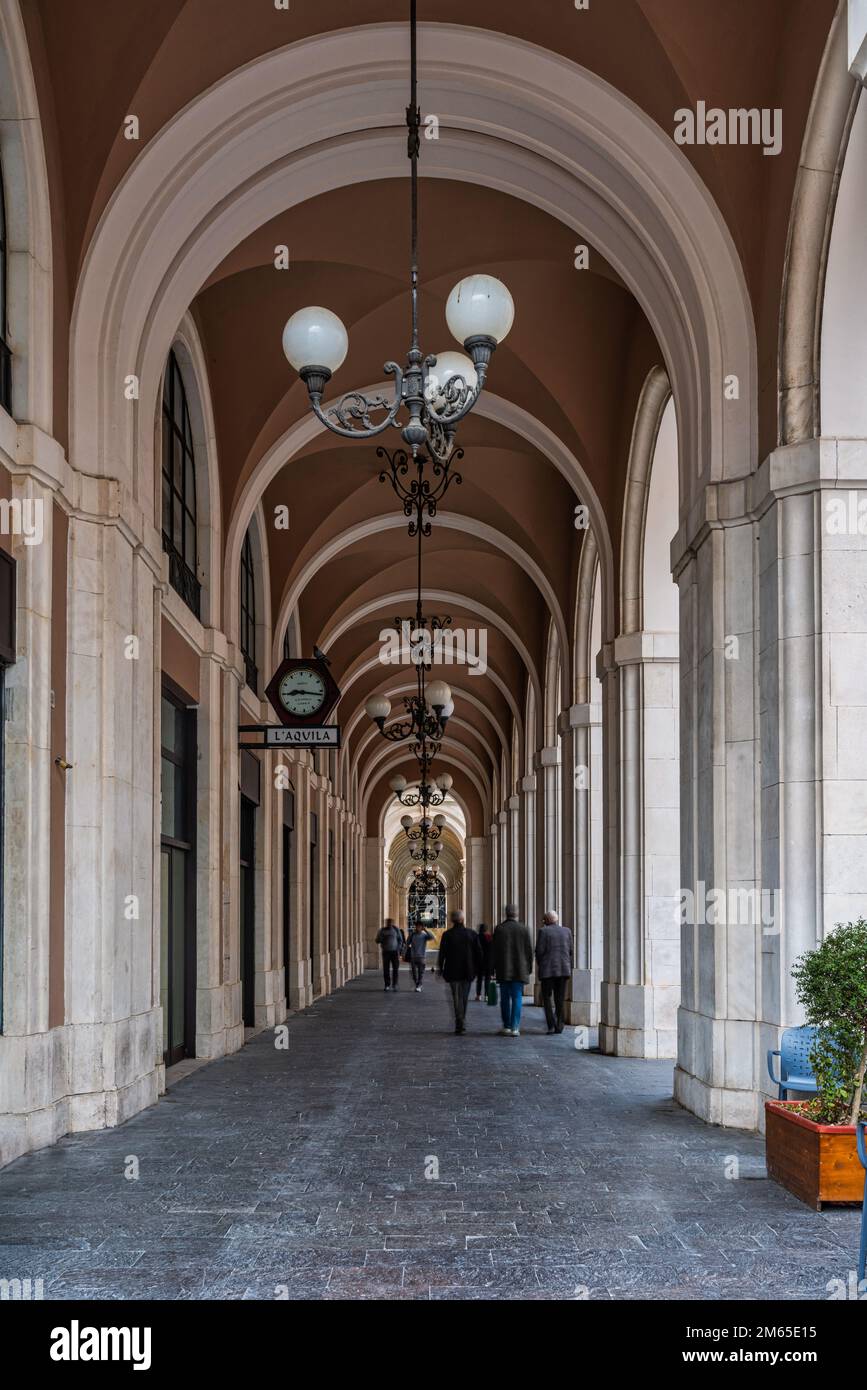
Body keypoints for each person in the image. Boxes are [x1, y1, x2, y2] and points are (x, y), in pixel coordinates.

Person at [437, 910, 482, 1034]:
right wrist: (478, 969)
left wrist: (440, 968)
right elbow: (479, 954)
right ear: (462, 919)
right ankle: (461, 1020)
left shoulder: (447, 935)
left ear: (452, 920)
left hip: (453, 971)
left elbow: (442, 954)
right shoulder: (471, 934)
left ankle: (459, 1022)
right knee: (464, 997)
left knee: (456, 997)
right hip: (468, 971)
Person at [492, 903, 533, 1036]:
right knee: (517, 998)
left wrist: (492, 968)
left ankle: (507, 1026)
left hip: (504, 969)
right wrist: (529, 968)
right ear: (516, 913)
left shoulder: (499, 929)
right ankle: (515, 1027)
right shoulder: (523, 929)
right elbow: (529, 951)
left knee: (504, 999)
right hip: (520, 969)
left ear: (506, 913)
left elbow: (495, 951)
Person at [535, 909, 573, 1034]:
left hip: (548, 971)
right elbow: (570, 951)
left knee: (546, 997)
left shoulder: (543, 931)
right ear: (556, 920)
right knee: (560, 998)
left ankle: (551, 1024)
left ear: (546, 920)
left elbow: (539, 952)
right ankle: (560, 1025)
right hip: (563, 970)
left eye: (543, 920)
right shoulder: (567, 931)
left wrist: (541, 964)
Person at [375, 918, 405, 991]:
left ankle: (395, 985)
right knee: (386, 969)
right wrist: (381, 938)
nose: (389, 924)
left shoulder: (396, 930)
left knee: (395, 969)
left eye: (390, 922)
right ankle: (387, 984)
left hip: (394, 952)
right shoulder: (382, 930)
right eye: (388, 923)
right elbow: (377, 940)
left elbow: (401, 940)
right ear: (386, 923)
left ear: (392, 923)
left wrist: (398, 949)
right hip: (386, 952)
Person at [408, 921, 434, 991]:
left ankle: (419, 985)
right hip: (413, 956)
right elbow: (407, 943)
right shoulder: (412, 935)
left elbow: (432, 937)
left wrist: (425, 930)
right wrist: (404, 953)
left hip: (422, 957)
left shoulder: (424, 935)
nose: (418, 928)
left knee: (420, 972)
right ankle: (417, 984)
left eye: (419, 926)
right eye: (417, 926)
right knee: (414, 973)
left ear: (422, 927)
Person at [475, 923, 494, 1002]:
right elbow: (492, 950)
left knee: (479, 979)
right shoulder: (489, 937)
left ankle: (478, 995)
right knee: (487, 979)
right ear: (486, 929)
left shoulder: (477, 937)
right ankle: (487, 996)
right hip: (488, 961)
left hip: (479, 961)